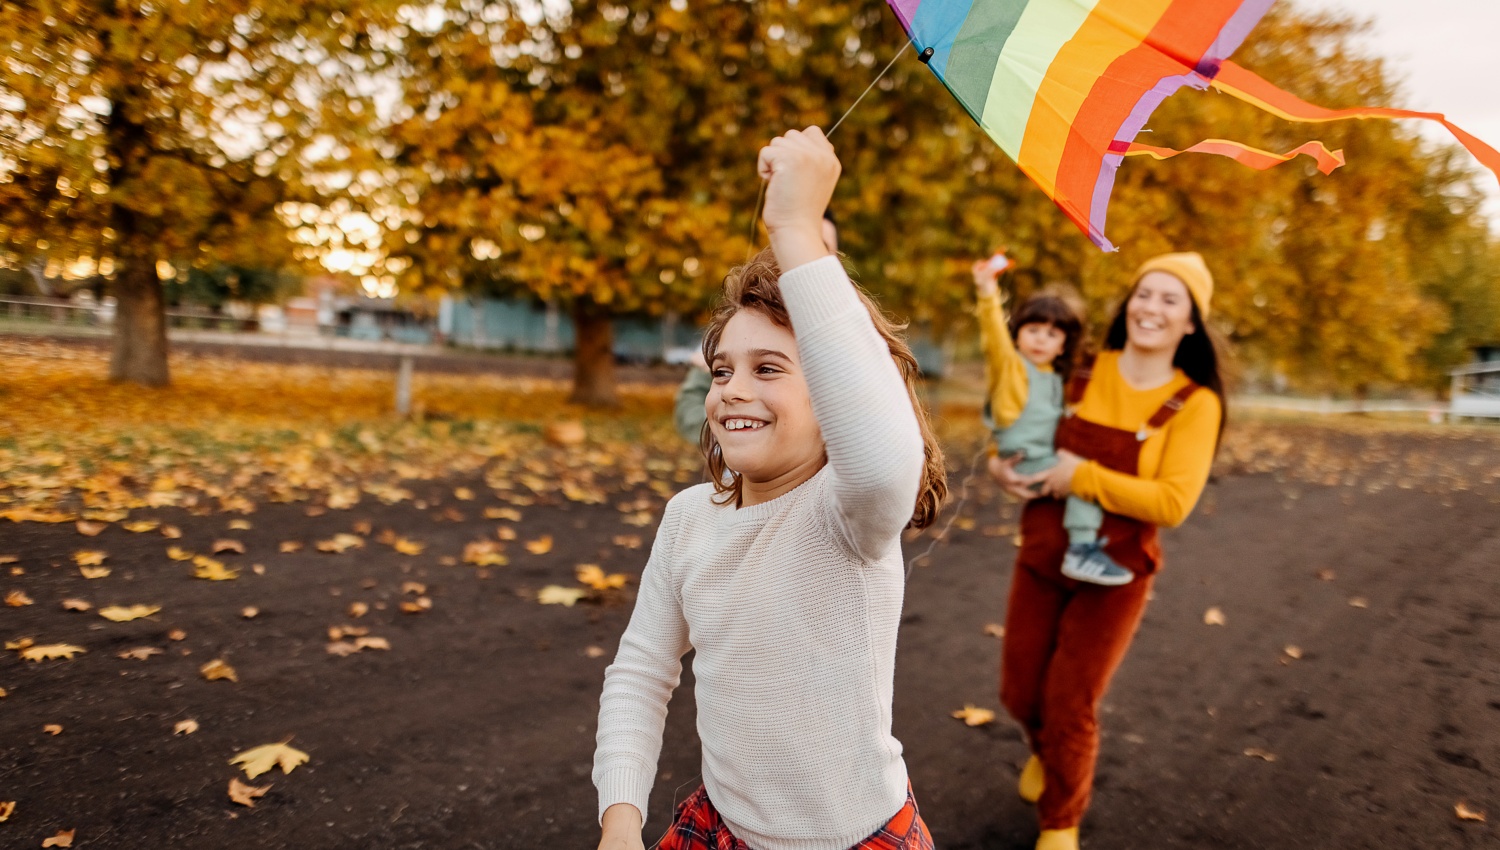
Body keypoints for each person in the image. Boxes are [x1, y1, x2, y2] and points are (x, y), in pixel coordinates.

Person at [595, 127, 948, 850]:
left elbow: (886, 459)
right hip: (720, 827)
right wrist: (620, 822)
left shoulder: (846, 517)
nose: (733, 391)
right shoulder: (689, 518)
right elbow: (641, 669)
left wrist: (794, 232)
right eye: (723, 370)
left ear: (833, 399)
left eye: (769, 368)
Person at [989, 253, 1226, 850]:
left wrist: (1083, 477)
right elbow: (1025, 424)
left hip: (1116, 575)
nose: (1152, 307)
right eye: (1145, 293)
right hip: (1042, 554)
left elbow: (1172, 503)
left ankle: (1060, 822)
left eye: (1172, 299)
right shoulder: (1082, 371)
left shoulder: (1195, 403)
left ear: (1191, 322)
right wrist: (999, 465)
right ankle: (1044, 753)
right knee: (1020, 692)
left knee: (1070, 702)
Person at [973, 259, 1131, 586]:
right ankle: (1082, 548)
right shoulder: (1012, 369)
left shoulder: (1056, 377)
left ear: (1063, 344)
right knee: (1082, 479)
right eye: (1032, 330)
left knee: (1082, 471)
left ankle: (1082, 543)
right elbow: (993, 336)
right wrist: (987, 290)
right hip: (1028, 465)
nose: (1041, 340)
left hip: (1036, 459)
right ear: (1017, 335)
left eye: (1051, 333)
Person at [673, 211, 840, 444]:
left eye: (767, 369)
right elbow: (690, 415)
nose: (800, 256)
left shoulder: (855, 337)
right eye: (721, 372)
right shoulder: (737, 321)